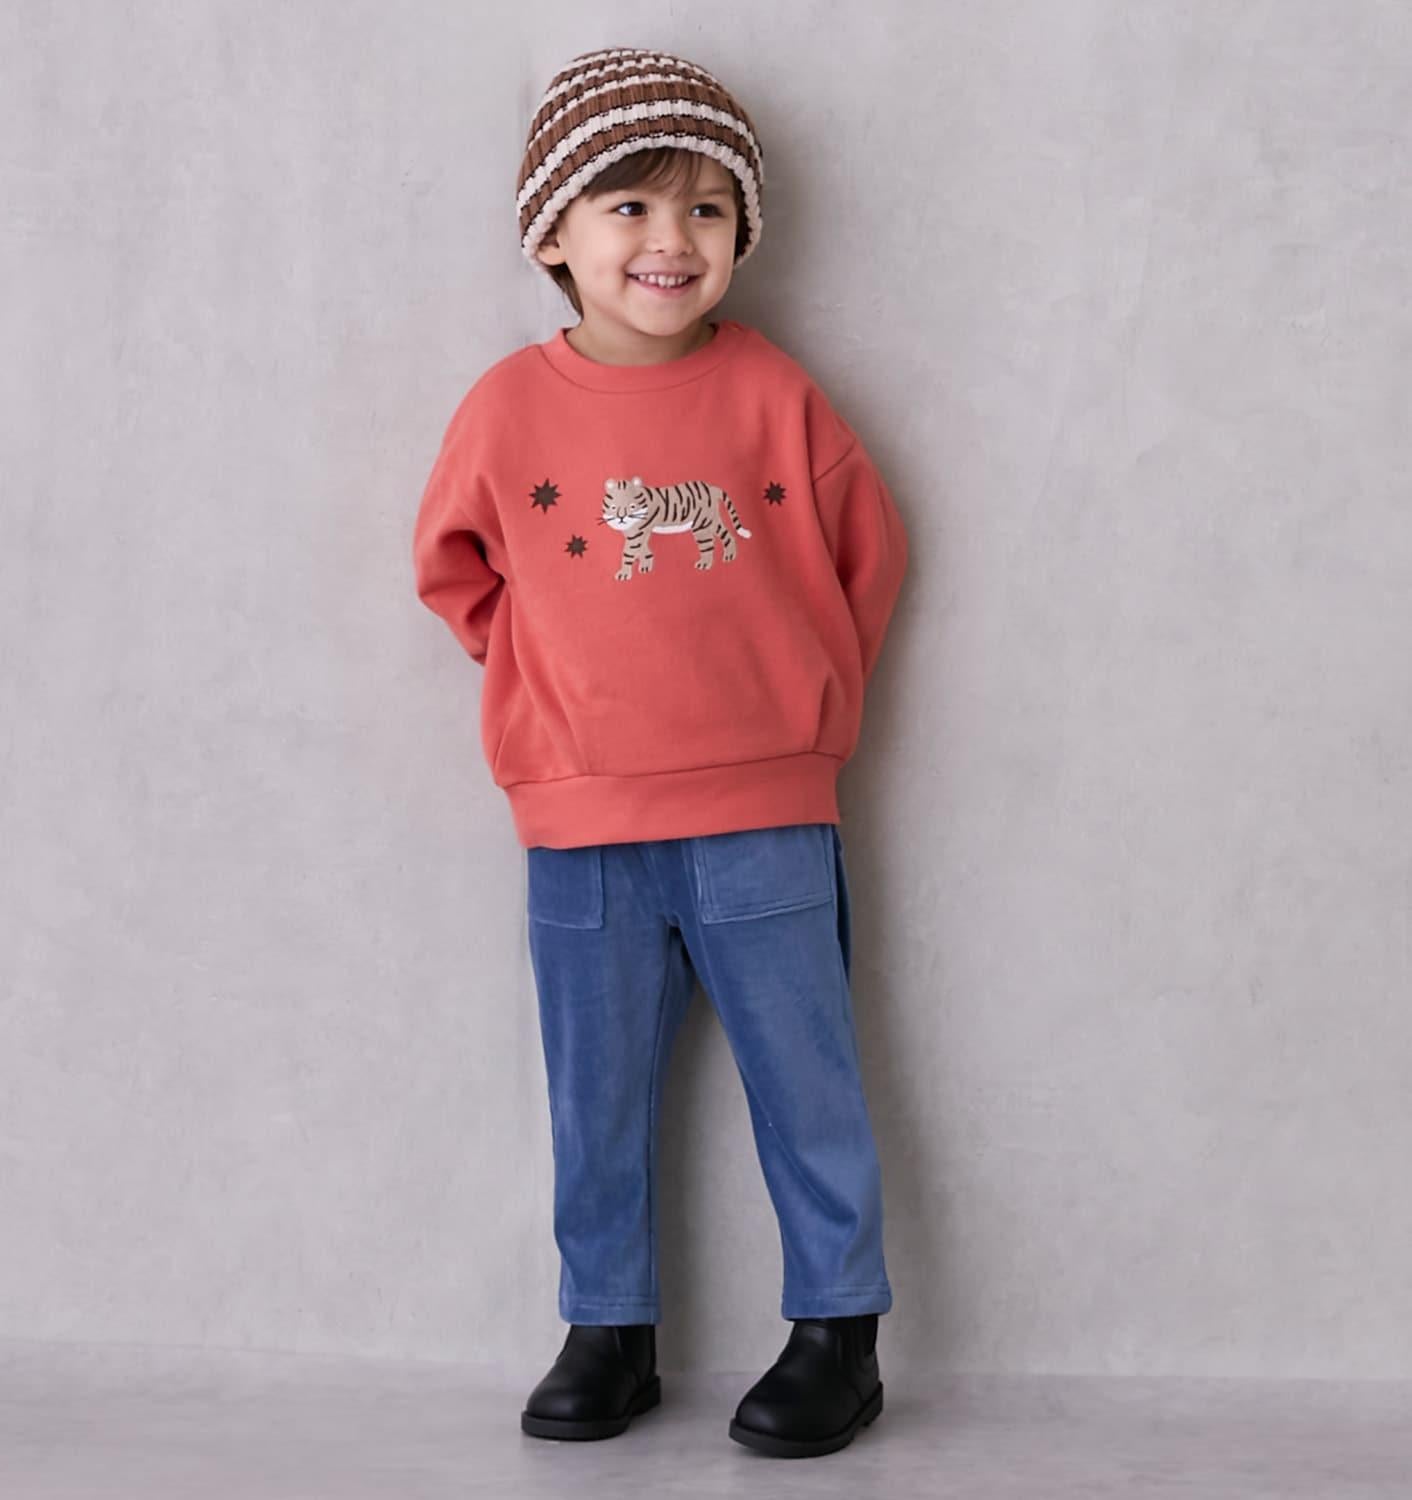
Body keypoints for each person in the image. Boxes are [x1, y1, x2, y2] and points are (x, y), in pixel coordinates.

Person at [412, 45, 909, 1460]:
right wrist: (549, 687)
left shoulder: (775, 396)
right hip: (579, 820)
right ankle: (607, 1325)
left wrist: (792, 695)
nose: (669, 239)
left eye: (704, 208)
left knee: (806, 1076)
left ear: (741, 233)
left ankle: (839, 1328)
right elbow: (453, 570)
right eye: (627, 205)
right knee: (597, 1088)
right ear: (554, 234)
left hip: (765, 812)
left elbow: (868, 555)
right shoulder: (505, 410)